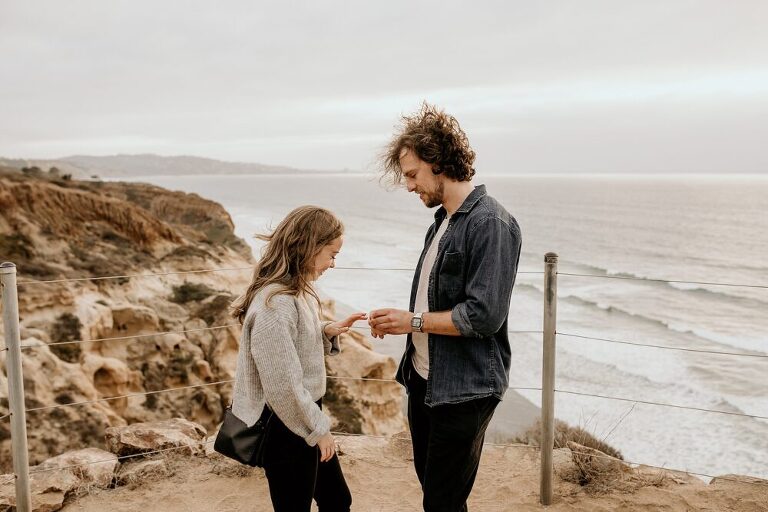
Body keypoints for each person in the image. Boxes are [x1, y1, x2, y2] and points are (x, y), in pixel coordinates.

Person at [368, 103, 522, 512]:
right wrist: (400, 322)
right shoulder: (442, 221)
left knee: (443, 499)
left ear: (437, 162)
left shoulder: (490, 223)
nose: (409, 186)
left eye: (413, 174)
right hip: (424, 379)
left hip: (464, 388)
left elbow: (484, 315)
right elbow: (434, 298)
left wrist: (413, 321)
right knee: (435, 492)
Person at [230, 205, 365, 512]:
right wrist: (319, 431)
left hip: (302, 417)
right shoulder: (274, 306)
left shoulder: (294, 293)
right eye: (332, 254)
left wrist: (326, 331)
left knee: (337, 499)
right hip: (287, 425)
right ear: (308, 247)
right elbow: (283, 385)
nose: (333, 264)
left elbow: (290, 343)